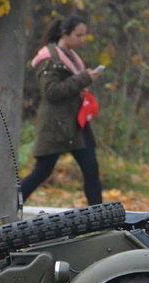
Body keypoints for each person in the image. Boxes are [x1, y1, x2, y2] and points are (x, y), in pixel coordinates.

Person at [21, 14, 104, 205]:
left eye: (84, 35)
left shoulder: (72, 57)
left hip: (76, 123)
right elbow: (51, 92)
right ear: (65, 33)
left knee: (91, 168)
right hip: (56, 124)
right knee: (43, 170)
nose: (82, 40)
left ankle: (99, 214)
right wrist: (84, 78)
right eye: (78, 35)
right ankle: (12, 202)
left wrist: (85, 79)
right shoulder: (49, 60)